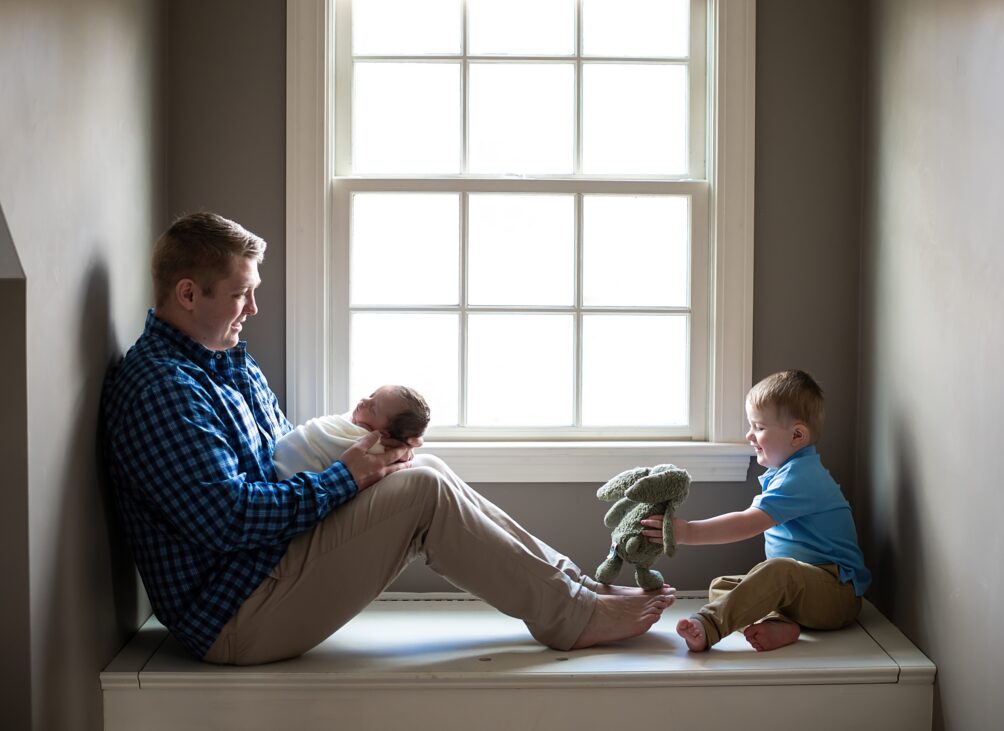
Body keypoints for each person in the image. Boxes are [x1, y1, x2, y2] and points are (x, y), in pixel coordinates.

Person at [102, 211, 673, 666]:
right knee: (420, 490)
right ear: (187, 294)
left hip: (268, 568)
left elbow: (277, 468)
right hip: (234, 614)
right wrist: (347, 475)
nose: (253, 307)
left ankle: (577, 592)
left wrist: (370, 461)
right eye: (239, 294)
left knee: (425, 471)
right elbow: (225, 520)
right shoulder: (160, 388)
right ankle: (573, 617)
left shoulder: (228, 363)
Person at [642, 369, 870, 653]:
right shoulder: (786, 473)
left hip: (836, 595)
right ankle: (779, 623)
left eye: (759, 428)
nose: (749, 435)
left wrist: (687, 531)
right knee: (722, 587)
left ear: (797, 435)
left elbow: (747, 523)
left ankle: (708, 626)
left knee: (778, 572)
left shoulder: (802, 477)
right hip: (799, 594)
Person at [273, 384, 430, 480]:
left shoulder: (368, 439)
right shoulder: (355, 426)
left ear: (385, 435)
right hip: (291, 477)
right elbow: (398, 457)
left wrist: (404, 445)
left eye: (373, 409)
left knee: (430, 465)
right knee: (428, 477)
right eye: (371, 396)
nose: (363, 401)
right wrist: (403, 449)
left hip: (284, 458)